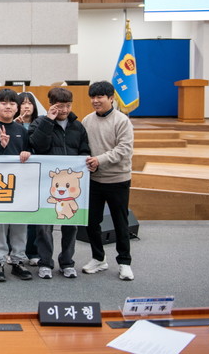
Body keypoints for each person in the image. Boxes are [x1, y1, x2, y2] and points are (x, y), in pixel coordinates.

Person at [28, 87, 90, 280]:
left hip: (72, 185)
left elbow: (84, 149)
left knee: (71, 224)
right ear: (51, 105)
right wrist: (48, 121)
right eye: (60, 106)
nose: (64, 110)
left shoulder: (77, 126)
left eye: (68, 106)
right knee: (44, 225)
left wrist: (85, 162)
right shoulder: (40, 122)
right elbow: (37, 146)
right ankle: (45, 262)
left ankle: (67, 262)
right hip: (47, 182)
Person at [81, 80, 135, 281]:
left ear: (111, 98)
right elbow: (83, 146)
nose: (95, 101)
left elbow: (124, 149)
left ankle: (124, 262)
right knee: (91, 222)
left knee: (120, 222)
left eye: (100, 97)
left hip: (118, 180)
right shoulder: (87, 120)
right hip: (94, 180)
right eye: (92, 97)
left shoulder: (122, 121)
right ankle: (98, 258)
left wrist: (99, 160)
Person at [0, 88, 32, 282]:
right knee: (1, 226)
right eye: (3, 103)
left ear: (17, 108)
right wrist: (1, 146)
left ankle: (18, 261)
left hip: (20, 184)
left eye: (12, 103)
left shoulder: (22, 130)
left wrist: (27, 153)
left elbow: (28, 153)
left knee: (20, 225)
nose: (8, 106)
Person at [15, 92, 41, 267]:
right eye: (23, 103)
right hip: (16, 176)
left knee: (33, 216)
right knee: (14, 215)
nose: (26, 106)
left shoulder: (41, 124)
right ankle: (13, 251)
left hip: (34, 176)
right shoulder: (11, 125)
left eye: (29, 103)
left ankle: (32, 252)